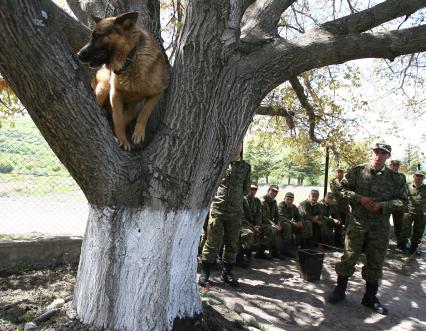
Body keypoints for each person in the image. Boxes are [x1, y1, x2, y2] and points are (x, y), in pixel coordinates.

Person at [328, 143, 407, 315]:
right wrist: (359, 198)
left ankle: (370, 298)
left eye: (383, 153)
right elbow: (340, 189)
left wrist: (382, 206)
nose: (378, 155)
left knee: (375, 262)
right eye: (376, 152)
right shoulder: (357, 171)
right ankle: (340, 291)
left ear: (388, 156)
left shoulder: (396, 179)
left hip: (380, 228)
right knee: (349, 257)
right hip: (357, 224)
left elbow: (403, 202)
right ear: (372, 153)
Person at [199, 143, 251, 287]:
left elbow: (247, 189)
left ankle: (227, 273)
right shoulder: (220, 162)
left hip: (235, 212)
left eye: (239, 144)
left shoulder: (246, 167)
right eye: (234, 143)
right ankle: (205, 274)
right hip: (218, 209)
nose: (236, 147)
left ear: (241, 147)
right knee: (212, 242)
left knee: (232, 243)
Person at [399, 171, 426, 256]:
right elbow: (401, 198)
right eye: (417, 175)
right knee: (405, 230)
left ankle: (413, 249)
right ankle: (402, 247)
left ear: (423, 178)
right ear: (413, 176)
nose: (419, 177)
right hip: (408, 212)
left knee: (418, 232)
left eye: (421, 176)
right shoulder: (407, 187)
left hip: (421, 214)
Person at [238, 183, 262, 267]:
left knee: (265, 231)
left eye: (255, 189)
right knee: (248, 233)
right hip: (242, 224)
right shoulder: (242, 200)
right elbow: (242, 217)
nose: (253, 191)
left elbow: (259, 215)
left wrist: (258, 225)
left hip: (254, 225)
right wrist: (253, 227)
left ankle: (253, 254)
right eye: (251, 189)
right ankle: (240, 257)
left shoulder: (257, 201)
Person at [260, 185, 286, 259]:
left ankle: (279, 250)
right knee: (271, 230)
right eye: (272, 191)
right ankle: (261, 252)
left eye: (276, 192)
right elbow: (263, 217)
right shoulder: (262, 201)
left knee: (284, 226)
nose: (274, 193)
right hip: (261, 223)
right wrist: (274, 225)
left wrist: (278, 223)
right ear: (268, 190)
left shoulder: (274, 201)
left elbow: (277, 215)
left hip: (270, 223)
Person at [388, 160, 407, 248]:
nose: (395, 166)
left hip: (398, 203)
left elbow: (404, 189)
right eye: (393, 165)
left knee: (400, 224)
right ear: (390, 165)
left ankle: (401, 244)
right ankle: (381, 244)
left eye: (397, 165)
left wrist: (404, 202)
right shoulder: (385, 174)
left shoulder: (402, 176)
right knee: (383, 224)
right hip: (386, 202)